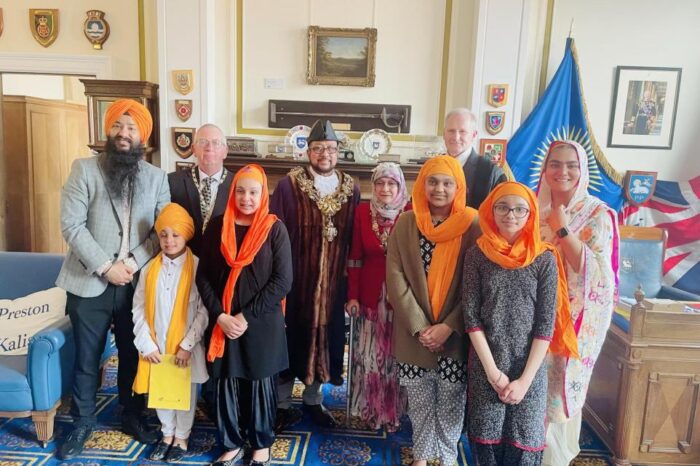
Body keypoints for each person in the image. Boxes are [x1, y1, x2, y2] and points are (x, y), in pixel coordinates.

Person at [56, 99, 170, 459]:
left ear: (143, 136)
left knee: (133, 353)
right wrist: (106, 266)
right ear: (108, 130)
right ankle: (83, 422)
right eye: (118, 126)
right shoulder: (84, 170)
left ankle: (132, 415)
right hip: (89, 281)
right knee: (86, 358)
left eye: (131, 127)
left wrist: (132, 263)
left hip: (134, 284)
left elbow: (161, 231)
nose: (124, 133)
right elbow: (71, 226)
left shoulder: (156, 178)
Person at [462, 182, 578, 466]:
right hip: (488, 364)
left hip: (530, 370)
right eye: (502, 206)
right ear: (491, 210)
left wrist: (524, 382)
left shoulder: (544, 259)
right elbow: (471, 317)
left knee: (523, 446)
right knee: (486, 445)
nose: (510, 214)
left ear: (531, 214)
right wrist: (492, 373)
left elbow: (545, 326)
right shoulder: (477, 254)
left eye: (519, 209)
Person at [387, 155, 480, 466]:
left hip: (455, 334)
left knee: (451, 402)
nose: (439, 189)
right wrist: (420, 326)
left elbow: (479, 284)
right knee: (421, 401)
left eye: (447, 183)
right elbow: (395, 276)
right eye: (433, 181)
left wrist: (448, 326)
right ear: (422, 185)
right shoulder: (406, 222)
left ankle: (446, 457)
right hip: (414, 335)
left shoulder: (473, 224)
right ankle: (423, 457)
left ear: (458, 187)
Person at [196, 164, 293, 466]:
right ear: (233, 192)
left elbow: (282, 280)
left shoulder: (274, 228)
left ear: (263, 194)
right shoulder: (216, 226)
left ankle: (260, 444)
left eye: (254, 192)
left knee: (259, 383)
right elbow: (204, 278)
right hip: (223, 323)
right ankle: (231, 442)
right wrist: (221, 316)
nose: (246, 198)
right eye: (241, 191)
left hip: (260, 322)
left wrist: (245, 316)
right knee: (226, 382)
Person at [270, 119, 360, 430]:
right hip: (295, 281)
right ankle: (281, 403)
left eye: (331, 149)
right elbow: (275, 234)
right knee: (289, 338)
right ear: (308, 152)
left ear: (338, 152)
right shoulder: (288, 185)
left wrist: (351, 287)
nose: (325, 154)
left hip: (334, 283)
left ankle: (312, 399)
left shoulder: (351, 187)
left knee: (326, 339)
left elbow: (354, 239)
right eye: (319, 148)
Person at [536, 141, 618, 466]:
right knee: (531, 397)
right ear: (545, 170)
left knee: (558, 403)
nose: (563, 172)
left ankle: (553, 460)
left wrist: (563, 229)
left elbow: (599, 276)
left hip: (573, 324)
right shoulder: (533, 210)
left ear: (582, 170)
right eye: (555, 164)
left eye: (571, 165)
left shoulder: (597, 214)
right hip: (535, 319)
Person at [131, 203, 209, 462]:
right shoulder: (148, 270)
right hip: (156, 344)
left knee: (184, 392)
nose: (169, 240)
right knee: (162, 389)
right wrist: (146, 343)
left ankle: (182, 436)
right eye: (163, 234)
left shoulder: (198, 267)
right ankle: (167, 434)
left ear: (186, 235)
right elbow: (138, 309)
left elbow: (204, 311)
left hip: (187, 346)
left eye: (175, 234)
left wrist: (187, 345)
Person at [345, 162, 409, 432]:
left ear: (400, 187)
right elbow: (355, 258)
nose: (385, 189)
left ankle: (392, 410)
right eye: (380, 183)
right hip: (369, 295)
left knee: (394, 357)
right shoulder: (361, 212)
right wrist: (352, 297)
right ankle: (369, 407)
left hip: (401, 296)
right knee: (369, 355)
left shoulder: (410, 213)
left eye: (391, 184)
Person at [168, 123, 232, 258]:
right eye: (203, 142)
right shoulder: (172, 182)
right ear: (193, 149)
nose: (210, 148)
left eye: (216, 143)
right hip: (183, 262)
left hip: (221, 265)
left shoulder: (238, 185)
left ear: (225, 151)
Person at [443, 108, 507, 208]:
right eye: (451, 131)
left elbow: (501, 212)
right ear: (444, 134)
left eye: (462, 131)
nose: (456, 137)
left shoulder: (492, 172)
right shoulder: (432, 167)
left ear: (474, 135)